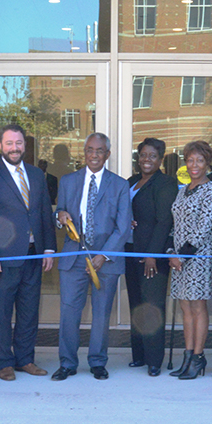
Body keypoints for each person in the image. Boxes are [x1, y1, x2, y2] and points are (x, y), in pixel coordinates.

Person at [0, 125, 56, 381]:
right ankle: (4, 363)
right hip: (2, 258)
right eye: (9, 143)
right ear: (1, 146)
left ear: (24, 146)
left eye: (18, 143)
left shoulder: (36, 174)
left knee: (29, 310)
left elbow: (43, 213)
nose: (14, 148)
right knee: (0, 312)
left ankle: (25, 359)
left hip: (33, 255)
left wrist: (49, 248)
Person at [53, 133, 131, 381]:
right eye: (90, 150)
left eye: (99, 151)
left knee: (101, 313)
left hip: (105, 259)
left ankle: (98, 362)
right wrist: (60, 216)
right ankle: (67, 363)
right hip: (73, 256)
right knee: (69, 312)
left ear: (107, 155)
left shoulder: (119, 185)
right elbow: (59, 214)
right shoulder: (68, 181)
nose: (94, 155)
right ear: (84, 152)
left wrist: (103, 256)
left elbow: (123, 227)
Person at [168, 140, 212, 380]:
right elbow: (176, 225)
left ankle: (199, 357)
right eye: (190, 160)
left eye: (199, 160)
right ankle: (187, 355)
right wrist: (172, 253)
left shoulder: (211, 190)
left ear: (207, 163)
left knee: (197, 306)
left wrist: (183, 254)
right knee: (184, 306)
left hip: (198, 256)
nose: (194, 165)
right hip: (179, 257)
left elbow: (204, 227)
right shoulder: (183, 189)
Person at [126, 138, 177, 377]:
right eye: (143, 155)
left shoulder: (166, 183)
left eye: (152, 156)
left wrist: (151, 255)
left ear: (161, 159)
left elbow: (164, 220)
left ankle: (155, 360)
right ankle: (140, 355)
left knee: (152, 306)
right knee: (136, 304)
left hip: (151, 256)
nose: (147, 160)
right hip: (130, 251)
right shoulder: (131, 181)